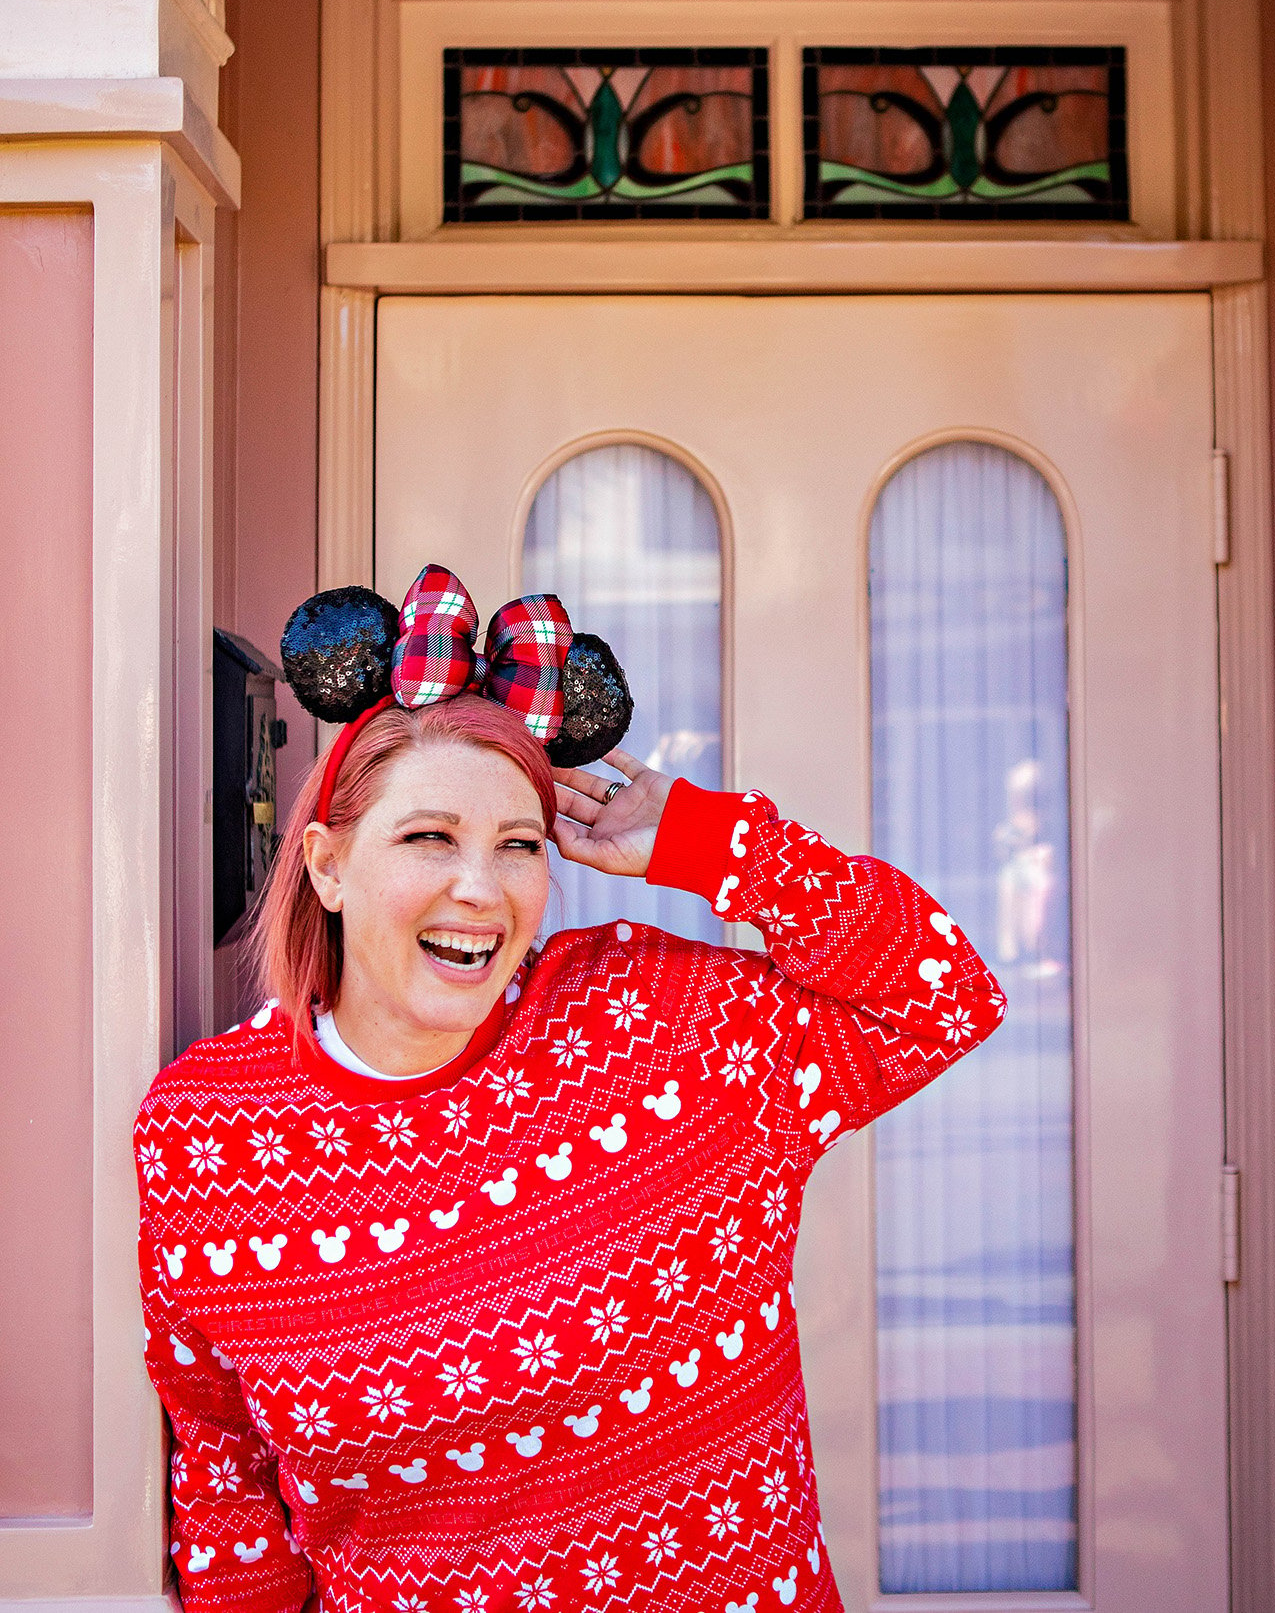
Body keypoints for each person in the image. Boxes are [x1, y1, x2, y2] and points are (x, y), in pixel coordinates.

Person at [135, 568, 1006, 1613]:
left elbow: (944, 995)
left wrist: (702, 840)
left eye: (519, 846)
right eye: (429, 838)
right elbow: (223, 1467)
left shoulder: (666, 1029)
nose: (482, 888)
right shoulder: (205, 1136)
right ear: (325, 866)